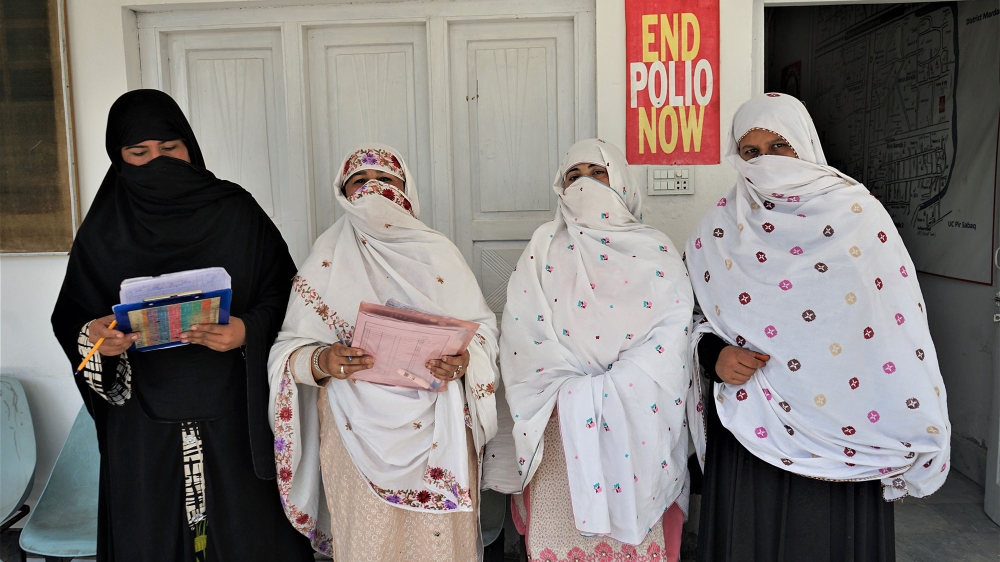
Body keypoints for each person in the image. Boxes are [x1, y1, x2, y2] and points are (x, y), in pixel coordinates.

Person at [685, 93, 951, 562]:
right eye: (751, 151)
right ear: (736, 157)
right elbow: (691, 319)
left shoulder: (858, 217)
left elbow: (896, 324)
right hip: (753, 425)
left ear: (805, 146)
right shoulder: (718, 230)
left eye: (779, 146)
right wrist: (715, 358)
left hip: (845, 428)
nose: (765, 161)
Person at [50, 89, 314, 561]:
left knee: (250, 539)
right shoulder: (104, 228)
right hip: (142, 426)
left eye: (169, 149)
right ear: (119, 158)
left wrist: (247, 330)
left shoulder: (235, 210)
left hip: (235, 411)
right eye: (139, 153)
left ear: (188, 146)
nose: (157, 162)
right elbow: (73, 318)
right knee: (152, 538)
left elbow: (289, 293)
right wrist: (95, 340)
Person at [267, 143, 502, 560]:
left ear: (406, 189)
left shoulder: (439, 253)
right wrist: (324, 361)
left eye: (386, 180)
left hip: (436, 432)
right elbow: (289, 349)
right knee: (368, 542)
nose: (373, 188)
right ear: (343, 192)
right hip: (352, 430)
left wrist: (464, 360)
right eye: (360, 180)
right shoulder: (326, 258)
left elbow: (481, 330)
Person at [500, 139, 695, 561]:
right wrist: (572, 392)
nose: (585, 184)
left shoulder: (654, 248)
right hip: (557, 419)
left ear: (621, 182)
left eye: (597, 173)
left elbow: (671, 335)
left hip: (639, 414)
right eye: (574, 176)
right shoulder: (543, 247)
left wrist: (617, 386)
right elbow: (522, 331)